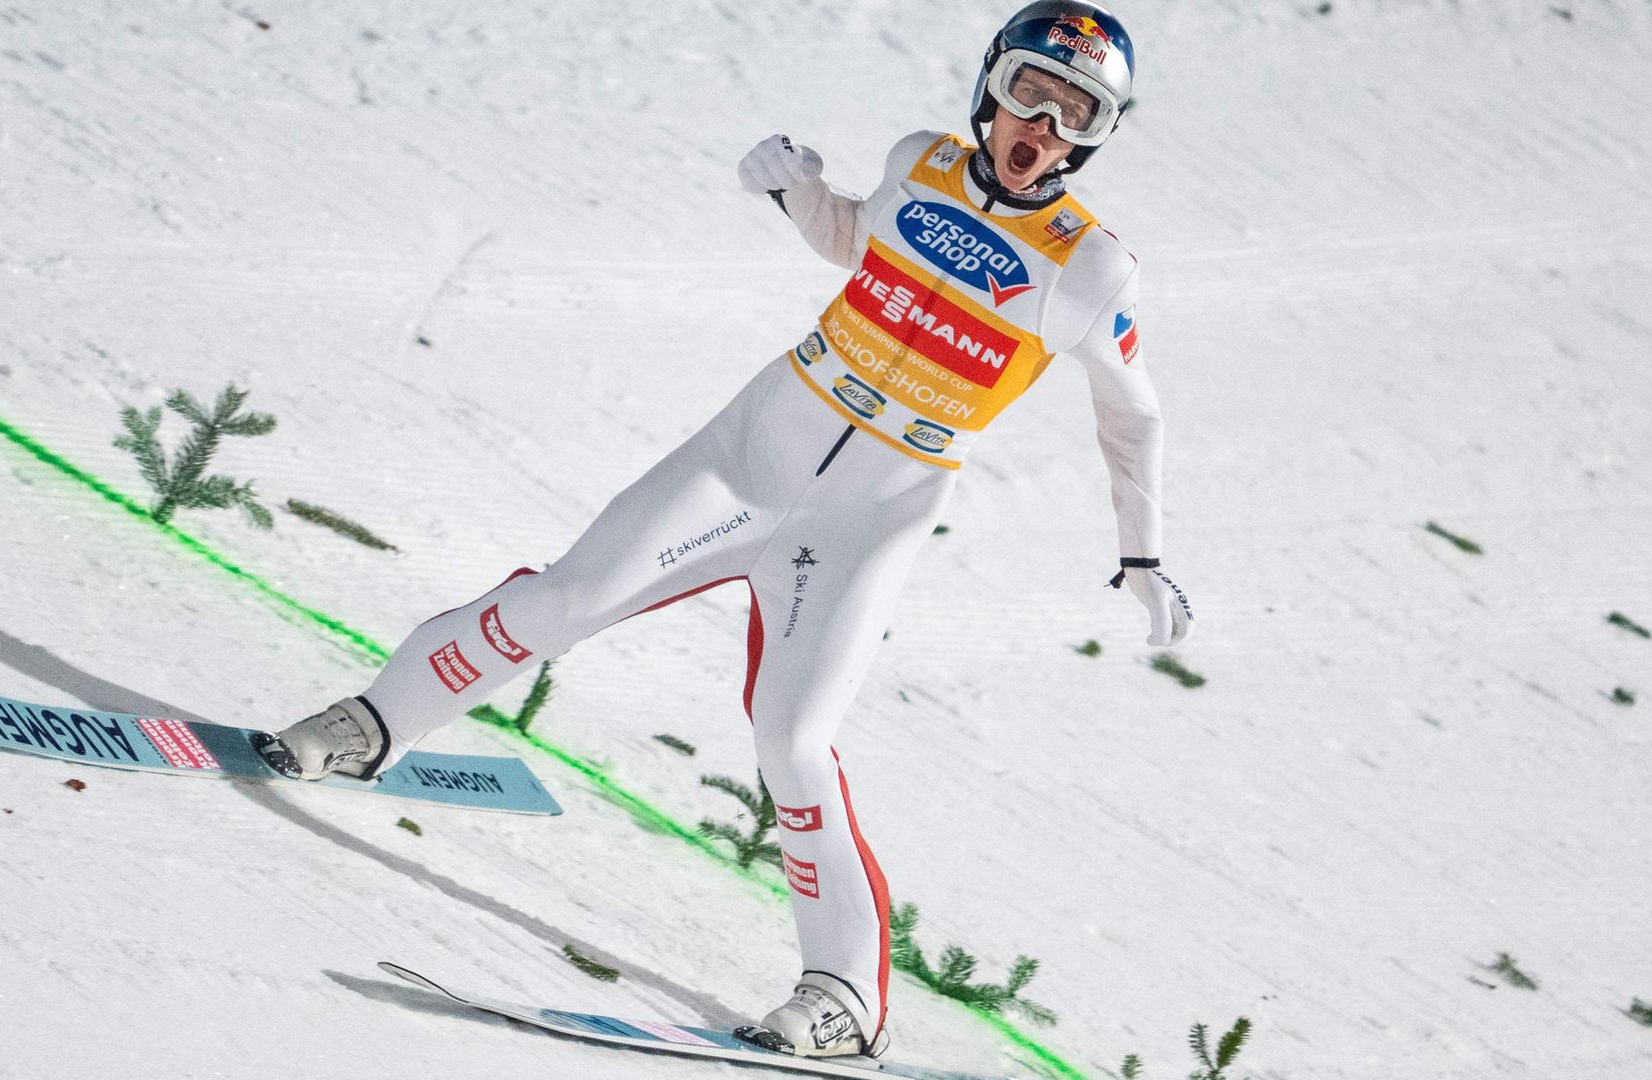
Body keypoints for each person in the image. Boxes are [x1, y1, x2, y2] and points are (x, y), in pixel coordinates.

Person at [256, 0, 1192, 1059]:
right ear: (990, 87)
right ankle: (378, 723)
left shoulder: (1088, 266)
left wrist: (1143, 552)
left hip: (876, 506)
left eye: (1079, 114)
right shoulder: (919, 161)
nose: (1045, 129)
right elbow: (859, 242)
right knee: (567, 595)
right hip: (759, 442)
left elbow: (1134, 411)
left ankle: (844, 994)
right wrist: (798, 191)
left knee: (793, 742)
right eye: (1032, 92)